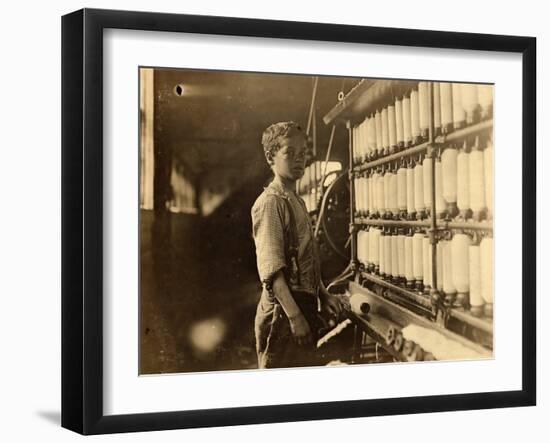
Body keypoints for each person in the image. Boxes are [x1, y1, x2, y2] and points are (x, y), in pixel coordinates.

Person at [251, 121, 343, 369]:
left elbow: (305, 258)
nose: (298, 159)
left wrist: (323, 294)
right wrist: (295, 317)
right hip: (283, 311)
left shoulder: (297, 201)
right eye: (289, 153)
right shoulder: (271, 202)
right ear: (271, 157)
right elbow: (272, 272)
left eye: (302, 153)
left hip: (302, 304)